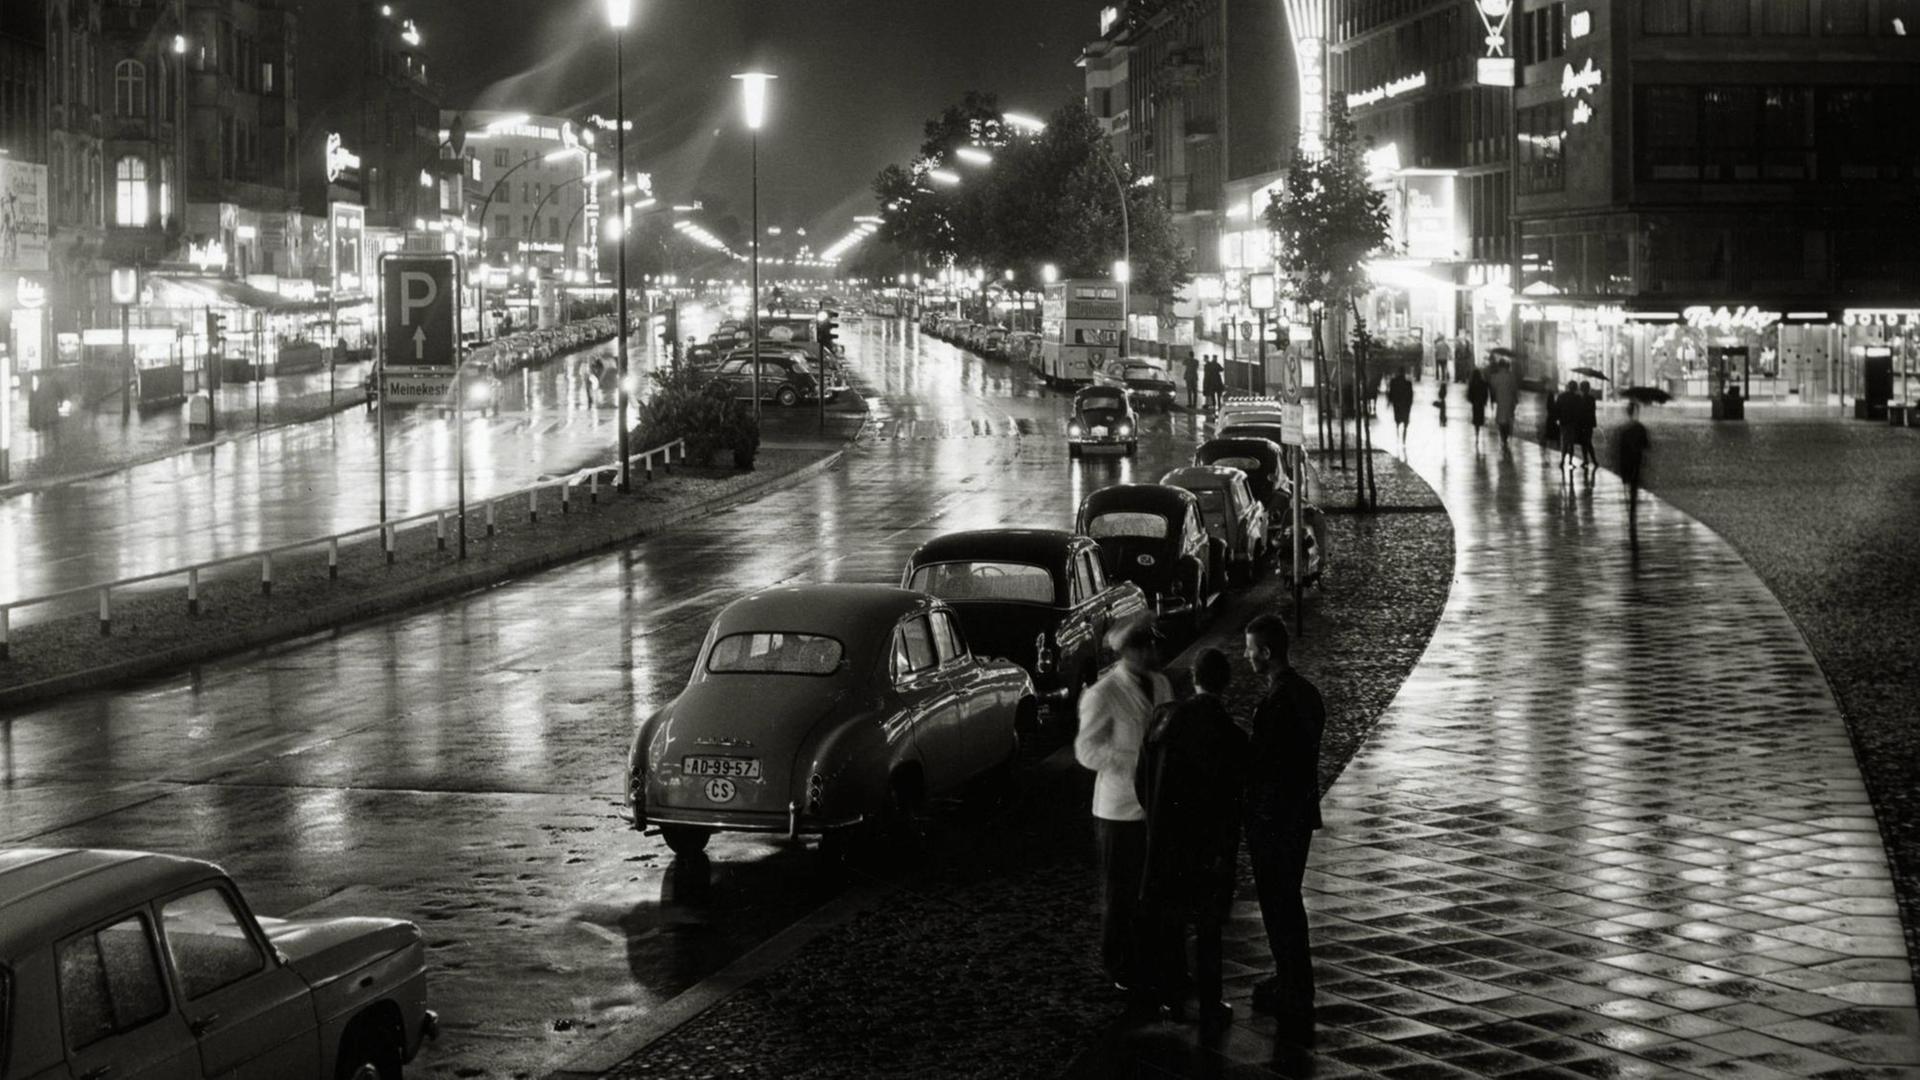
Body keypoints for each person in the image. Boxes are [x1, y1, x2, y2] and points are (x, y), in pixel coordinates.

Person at [1135, 648, 1248, 1032]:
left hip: (1167, 841)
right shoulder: (1232, 737)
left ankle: (1172, 999)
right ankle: (1212, 1002)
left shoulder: (1162, 720)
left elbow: (1141, 781)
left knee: (1170, 922)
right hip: (1209, 849)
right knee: (1208, 928)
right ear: (1225, 683)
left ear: (1194, 679)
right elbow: (1236, 799)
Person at [1076, 620, 1174, 1002]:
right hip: (1118, 809)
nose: (1153, 654)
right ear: (1129, 651)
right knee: (1120, 891)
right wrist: (1133, 762)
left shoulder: (1162, 684)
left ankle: (1148, 957)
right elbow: (1086, 750)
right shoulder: (1104, 694)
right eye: (1146, 648)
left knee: (1150, 889)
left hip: (1156, 803)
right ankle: (1119, 964)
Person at [1243, 614, 1325, 1026]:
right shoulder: (1306, 694)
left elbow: (1263, 765)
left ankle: (1292, 985)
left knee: (1278, 905)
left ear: (1267, 652)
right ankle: (1295, 980)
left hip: (1274, 819)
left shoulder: (1275, 704)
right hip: (1299, 814)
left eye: (1251, 648)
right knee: (1289, 901)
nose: (1247, 655)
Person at [1617, 401, 1652, 549]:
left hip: (1626, 464)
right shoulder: (1640, 428)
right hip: (1636, 462)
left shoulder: (1624, 430)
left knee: (1629, 489)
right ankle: (1632, 514)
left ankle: (1630, 515)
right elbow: (1647, 445)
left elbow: (1619, 450)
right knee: (1634, 489)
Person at [1490, 359, 1519, 449]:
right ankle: (1506, 436)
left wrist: (1493, 398)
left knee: (1501, 419)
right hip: (1509, 400)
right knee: (1508, 418)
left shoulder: (1496, 377)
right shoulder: (1511, 376)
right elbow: (1514, 388)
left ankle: (1503, 436)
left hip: (1500, 400)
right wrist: (1516, 398)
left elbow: (1492, 387)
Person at [1555, 380, 1581, 472]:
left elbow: (1557, 408)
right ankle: (1570, 461)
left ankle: (1562, 460)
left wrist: (1557, 419)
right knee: (1571, 442)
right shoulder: (1577, 398)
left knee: (1565, 441)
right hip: (1573, 423)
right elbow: (1579, 411)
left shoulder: (1561, 396)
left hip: (1564, 422)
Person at [1387, 368, 1414, 448]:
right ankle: (1403, 440)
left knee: (1397, 422)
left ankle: (1398, 437)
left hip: (1397, 405)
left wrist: (1389, 402)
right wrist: (1409, 405)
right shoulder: (1408, 384)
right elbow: (1410, 396)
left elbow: (1391, 393)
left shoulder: (1394, 382)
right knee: (1405, 423)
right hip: (1405, 406)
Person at [1577, 380, 1599, 476]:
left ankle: (1589, 460)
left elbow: (1580, 410)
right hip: (1589, 423)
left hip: (1583, 423)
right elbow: (1593, 409)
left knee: (1585, 442)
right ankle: (1590, 460)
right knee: (1587, 441)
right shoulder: (1591, 398)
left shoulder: (1581, 399)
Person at [1466, 364, 1490, 446]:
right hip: (1481, 404)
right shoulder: (1483, 383)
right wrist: (1484, 401)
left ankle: (1477, 433)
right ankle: (1479, 431)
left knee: (1476, 420)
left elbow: (1469, 395)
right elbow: (1486, 393)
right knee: (1480, 419)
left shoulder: (1472, 384)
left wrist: (1472, 401)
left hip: (1475, 404)